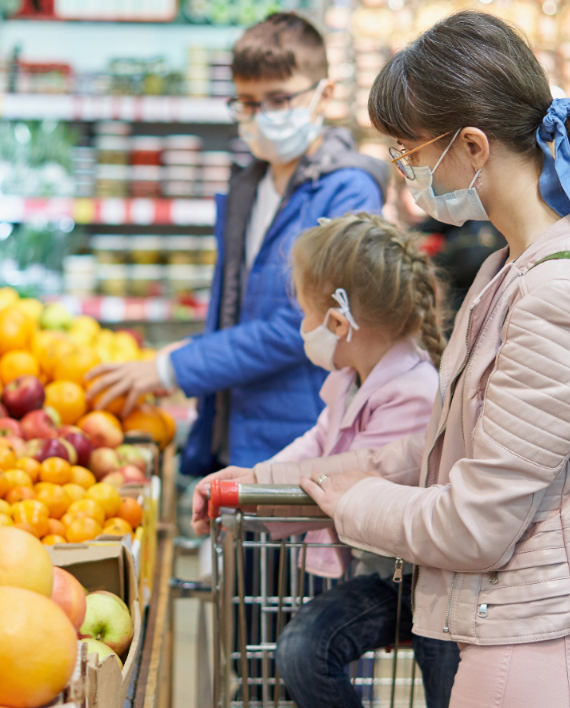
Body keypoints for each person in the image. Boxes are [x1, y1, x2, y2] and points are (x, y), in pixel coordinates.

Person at [195, 11, 570, 706]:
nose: (407, 177)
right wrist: (273, 481)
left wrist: (354, 506)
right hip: (512, 633)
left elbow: (476, 523)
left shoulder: (559, 294)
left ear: (473, 148)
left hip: (552, 648)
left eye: (409, 152)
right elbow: (440, 455)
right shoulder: (504, 272)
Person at [85, 12, 388, 478]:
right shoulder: (249, 186)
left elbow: (303, 325)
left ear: (324, 95)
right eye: (247, 103)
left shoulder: (347, 191)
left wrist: (175, 369)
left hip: (307, 439)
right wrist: (186, 352)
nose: (262, 116)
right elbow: (239, 310)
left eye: (279, 99)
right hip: (238, 429)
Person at [252, 213, 460, 708]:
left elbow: (355, 472)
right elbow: (317, 441)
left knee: (447, 691)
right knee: (304, 648)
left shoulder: (414, 390)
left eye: (304, 313)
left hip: (430, 580)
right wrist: (252, 480)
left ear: (338, 322)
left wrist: (260, 486)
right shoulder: (353, 379)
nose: (303, 327)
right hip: (384, 574)